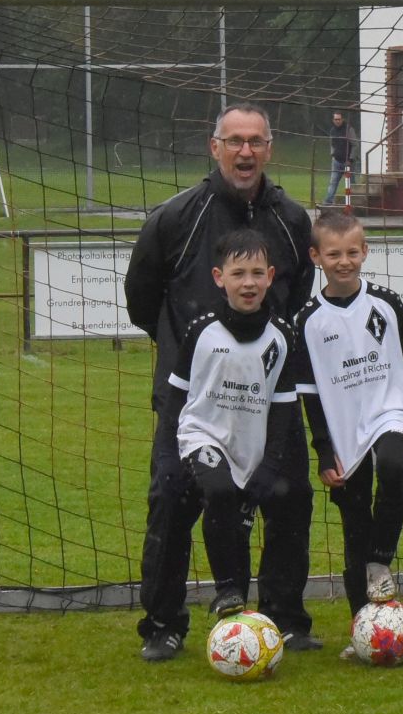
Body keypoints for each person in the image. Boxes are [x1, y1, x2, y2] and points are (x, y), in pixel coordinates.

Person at [123, 103, 318, 662]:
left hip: (271, 397)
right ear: (215, 148)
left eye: (255, 141)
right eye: (234, 141)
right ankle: (163, 623)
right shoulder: (176, 217)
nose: (245, 151)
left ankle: (283, 618)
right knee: (172, 498)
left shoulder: (291, 219)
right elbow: (143, 299)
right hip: (192, 397)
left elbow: (297, 296)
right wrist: (195, 353)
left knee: (287, 496)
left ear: (269, 148)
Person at [291, 210, 403, 615]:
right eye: (334, 254)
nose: (344, 261)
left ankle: (381, 559)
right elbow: (311, 395)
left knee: (392, 468)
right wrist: (322, 450)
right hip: (343, 429)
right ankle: (362, 621)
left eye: (353, 252)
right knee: (354, 524)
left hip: (390, 411)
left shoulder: (385, 302)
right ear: (316, 256)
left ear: (365, 252)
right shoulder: (308, 320)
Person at [166, 229, 303, 622]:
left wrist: (269, 466)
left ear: (271, 276)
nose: (248, 283)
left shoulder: (282, 335)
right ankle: (227, 588)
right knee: (219, 491)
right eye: (238, 273)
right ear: (218, 277)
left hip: (252, 447)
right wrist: (167, 454)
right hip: (202, 436)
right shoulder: (201, 331)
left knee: (239, 525)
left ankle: (239, 614)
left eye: (257, 273)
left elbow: (283, 410)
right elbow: (177, 396)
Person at [322, 111, 353, 206]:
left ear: (342, 119)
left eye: (339, 119)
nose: (337, 121)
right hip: (336, 161)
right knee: (333, 182)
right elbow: (332, 144)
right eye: (336, 119)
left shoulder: (349, 129)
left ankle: (353, 202)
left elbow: (355, 145)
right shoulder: (332, 131)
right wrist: (332, 154)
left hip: (348, 162)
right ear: (333, 120)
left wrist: (351, 159)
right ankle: (328, 201)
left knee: (352, 184)